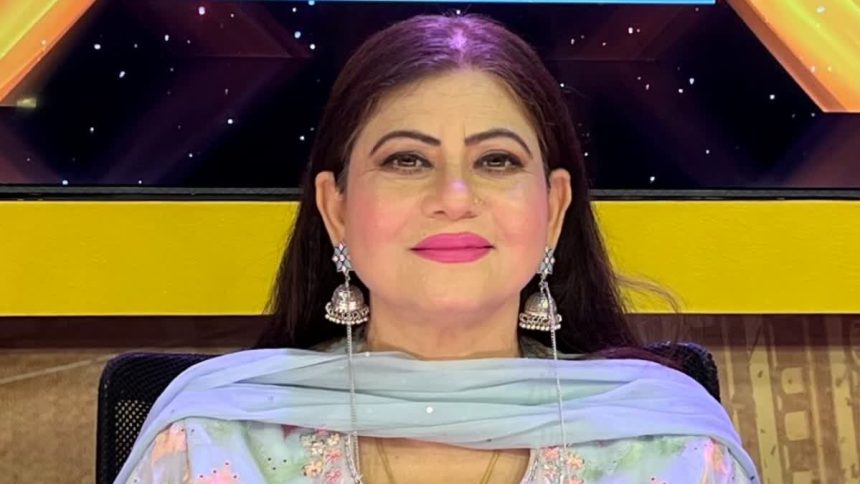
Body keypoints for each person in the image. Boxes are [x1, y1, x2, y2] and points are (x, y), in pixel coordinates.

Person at [115, 13, 759, 484]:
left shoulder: (671, 448)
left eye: (497, 160)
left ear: (555, 210)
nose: (454, 197)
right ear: (336, 210)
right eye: (407, 159)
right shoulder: (209, 439)